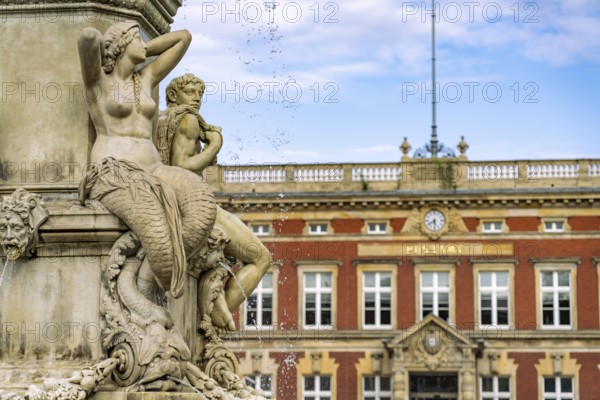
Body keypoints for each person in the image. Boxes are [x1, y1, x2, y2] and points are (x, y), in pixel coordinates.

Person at [77, 22, 216, 302]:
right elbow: (88, 39)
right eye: (136, 38)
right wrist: (116, 43)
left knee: (203, 208)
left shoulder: (147, 77)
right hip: (115, 173)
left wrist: (142, 48)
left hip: (155, 169)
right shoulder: (99, 83)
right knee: (158, 236)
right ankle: (143, 292)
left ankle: (146, 273)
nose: (144, 42)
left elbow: (183, 38)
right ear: (120, 46)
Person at [157, 74, 273, 330]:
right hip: (192, 200)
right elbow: (181, 167)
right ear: (173, 95)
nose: (196, 98)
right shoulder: (187, 119)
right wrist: (214, 146)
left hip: (170, 199)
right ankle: (208, 320)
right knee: (261, 258)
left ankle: (212, 305)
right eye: (189, 91)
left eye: (199, 93)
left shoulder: (159, 120)